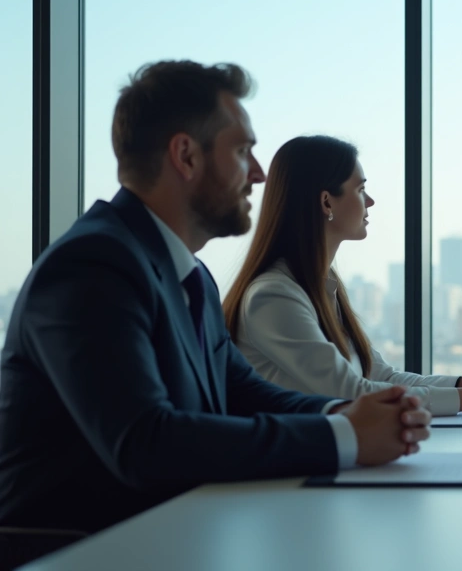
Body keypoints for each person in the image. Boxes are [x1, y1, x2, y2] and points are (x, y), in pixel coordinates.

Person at [0, 61, 431, 537]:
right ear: (186, 156)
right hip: (83, 552)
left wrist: (342, 413)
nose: (260, 174)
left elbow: (242, 392)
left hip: (169, 537)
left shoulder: (190, 275)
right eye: (243, 150)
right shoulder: (92, 267)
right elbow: (147, 443)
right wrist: (344, 436)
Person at [223, 135, 462, 414]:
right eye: (360, 189)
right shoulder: (273, 296)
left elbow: (380, 375)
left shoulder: (322, 288)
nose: (370, 202)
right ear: (327, 201)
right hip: (299, 468)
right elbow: (351, 393)